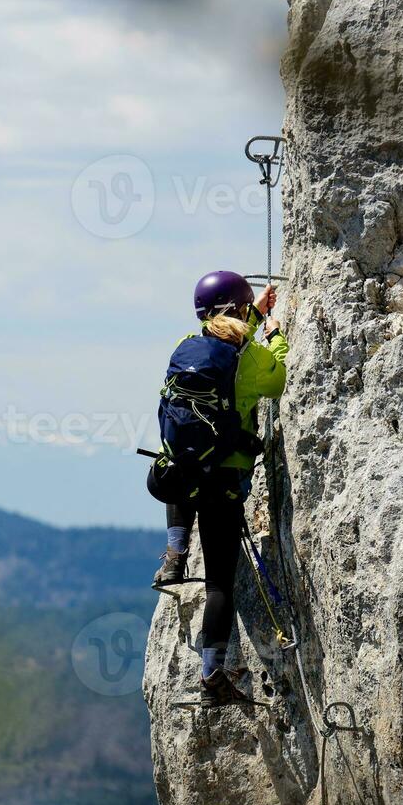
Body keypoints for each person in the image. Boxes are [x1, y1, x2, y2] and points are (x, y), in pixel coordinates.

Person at [153, 270, 288, 706]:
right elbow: (277, 377)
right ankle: (211, 675)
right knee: (218, 585)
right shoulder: (247, 360)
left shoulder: (184, 348)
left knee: (183, 461)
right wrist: (274, 333)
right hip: (223, 483)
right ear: (241, 310)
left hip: (179, 475)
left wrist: (251, 313)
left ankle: (174, 554)